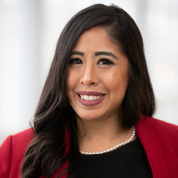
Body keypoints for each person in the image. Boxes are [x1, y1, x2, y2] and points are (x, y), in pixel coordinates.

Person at [0, 3, 178, 178]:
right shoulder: (14, 152)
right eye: (75, 61)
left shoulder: (173, 144)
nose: (87, 78)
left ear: (132, 70)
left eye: (104, 61)